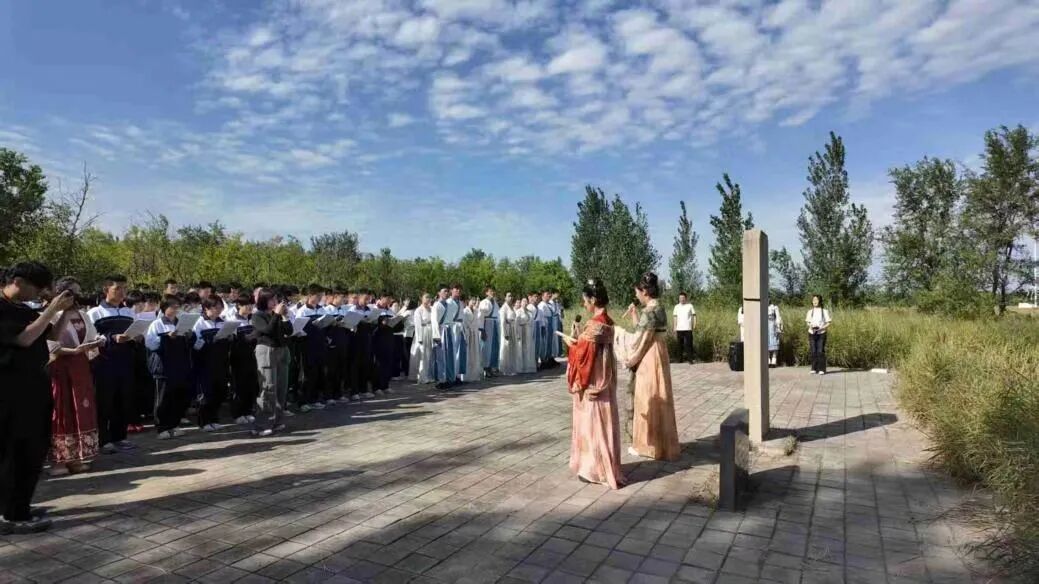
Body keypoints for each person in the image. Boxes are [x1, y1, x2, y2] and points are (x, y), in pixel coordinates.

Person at [0, 262, 75, 533]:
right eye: (38, 287)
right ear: (18, 281)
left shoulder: (22, 308)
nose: (40, 293)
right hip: (9, 393)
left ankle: (21, 504)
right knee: (14, 453)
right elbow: (23, 339)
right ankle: (11, 514)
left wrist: (65, 313)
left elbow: (50, 335)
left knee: (33, 450)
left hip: (34, 390)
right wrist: (51, 308)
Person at [560, 278, 625, 489]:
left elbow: (582, 355)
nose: (584, 304)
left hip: (593, 382)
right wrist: (579, 337)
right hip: (606, 382)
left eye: (585, 300)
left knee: (593, 424)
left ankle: (594, 468)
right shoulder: (608, 322)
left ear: (593, 299)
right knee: (605, 423)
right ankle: (607, 465)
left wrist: (570, 342)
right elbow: (589, 347)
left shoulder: (594, 325)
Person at [46, 277, 103, 475]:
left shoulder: (83, 315)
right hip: (60, 367)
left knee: (80, 409)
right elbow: (50, 344)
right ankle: (60, 460)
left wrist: (96, 342)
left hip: (80, 366)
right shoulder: (51, 314)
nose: (77, 297)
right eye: (72, 292)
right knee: (62, 410)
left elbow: (90, 337)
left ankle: (77, 457)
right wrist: (73, 350)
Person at [622, 273, 681, 461]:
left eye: (637, 292)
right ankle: (664, 444)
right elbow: (644, 331)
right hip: (660, 352)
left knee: (647, 398)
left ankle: (647, 446)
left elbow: (642, 340)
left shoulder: (649, 312)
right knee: (661, 396)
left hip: (649, 355)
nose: (636, 295)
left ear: (645, 291)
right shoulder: (660, 308)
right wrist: (634, 314)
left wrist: (630, 359)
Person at [87, 274, 138, 454]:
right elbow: (91, 337)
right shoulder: (95, 313)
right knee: (104, 401)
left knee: (123, 400)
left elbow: (134, 332)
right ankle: (103, 439)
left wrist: (136, 337)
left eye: (125, 288)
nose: (122, 292)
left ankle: (120, 437)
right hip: (104, 362)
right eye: (118, 288)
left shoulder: (128, 312)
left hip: (125, 361)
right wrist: (112, 338)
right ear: (106, 290)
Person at [145, 296, 194, 440]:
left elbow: (191, 342)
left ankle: (174, 424)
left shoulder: (181, 322)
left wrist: (190, 336)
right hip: (164, 366)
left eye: (177, 306)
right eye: (172, 306)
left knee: (178, 396)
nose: (175, 309)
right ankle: (162, 427)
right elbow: (150, 343)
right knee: (163, 398)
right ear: (164, 308)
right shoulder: (157, 324)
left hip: (180, 365)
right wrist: (167, 337)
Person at [251, 288, 290, 436]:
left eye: (276, 299)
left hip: (281, 350)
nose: (275, 302)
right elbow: (267, 330)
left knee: (281, 387)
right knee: (268, 388)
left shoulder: (276, 315)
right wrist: (277, 315)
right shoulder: (258, 315)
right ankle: (261, 425)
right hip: (267, 350)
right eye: (271, 299)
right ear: (264, 300)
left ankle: (277, 421)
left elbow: (288, 331)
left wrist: (284, 317)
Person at [192, 297, 231, 431]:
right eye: (215, 307)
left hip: (221, 362)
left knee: (219, 391)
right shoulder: (199, 323)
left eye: (220, 307)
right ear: (206, 308)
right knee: (206, 393)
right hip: (205, 363)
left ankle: (214, 419)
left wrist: (228, 337)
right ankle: (204, 421)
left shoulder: (222, 322)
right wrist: (210, 341)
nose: (218, 310)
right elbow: (195, 343)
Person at [295, 284, 328, 412]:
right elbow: (298, 328)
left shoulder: (322, 309)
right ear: (310, 295)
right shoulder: (302, 311)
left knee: (318, 372)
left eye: (321, 296)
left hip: (320, 344)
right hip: (307, 345)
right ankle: (303, 401)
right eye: (317, 296)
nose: (320, 298)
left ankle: (315, 399)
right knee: (307, 374)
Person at [227, 293, 258, 425]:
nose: (250, 307)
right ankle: (238, 413)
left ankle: (248, 411)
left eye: (251, 304)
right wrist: (245, 338)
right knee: (239, 385)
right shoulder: (232, 320)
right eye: (246, 305)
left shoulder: (253, 319)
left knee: (251, 384)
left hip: (253, 355)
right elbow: (231, 340)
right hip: (238, 358)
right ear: (239, 305)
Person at [409, 293, 436, 384]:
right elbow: (417, 325)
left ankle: (429, 375)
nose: (428, 299)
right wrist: (420, 338)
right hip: (422, 332)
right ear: (422, 299)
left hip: (430, 332)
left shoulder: (431, 309)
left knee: (430, 355)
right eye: (426, 297)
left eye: (429, 297)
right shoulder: (418, 310)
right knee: (423, 355)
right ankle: (422, 377)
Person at [477, 287, 501, 377]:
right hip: (487, 323)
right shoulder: (483, 302)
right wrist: (482, 329)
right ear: (486, 293)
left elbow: (498, 315)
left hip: (494, 324)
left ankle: (492, 367)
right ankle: (486, 368)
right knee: (487, 347)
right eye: (490, 291)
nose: (492, 293)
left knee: (494, 346)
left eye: (493, 291)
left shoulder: (495, 303)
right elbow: (480, 316)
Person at [806, 295, 831, 375]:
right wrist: (810, 326)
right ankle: (814, 368)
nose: (815, 301)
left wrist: (822, 328)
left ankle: (821, 369)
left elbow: (828, 322)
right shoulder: (810, 311)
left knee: (820, 351)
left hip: (821, 333)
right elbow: (808, 322)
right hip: (812, 333)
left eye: (816, 300)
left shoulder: (824, 311)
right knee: (813, 351)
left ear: (820, 301)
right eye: (813, 300)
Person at [461, 298, 483, 382]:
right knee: (468, 353)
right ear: (468, 301)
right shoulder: (465, 311)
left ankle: (474, 374)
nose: (473, 302)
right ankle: (466, 375)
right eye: (472, 300)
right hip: (468, 333)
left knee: (475, 353)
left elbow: (478, 322)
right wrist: (468, 331)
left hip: (475, 333)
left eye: (474, 300)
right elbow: (464, 323)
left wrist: (478, 330)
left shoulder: (476, 311)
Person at [672, 292, 696, 364]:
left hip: (688, 328)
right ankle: (680, 359)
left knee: (689, 344)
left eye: (683, 298)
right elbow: (675, 317)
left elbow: (694, 315)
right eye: (680, 298)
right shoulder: (676, 307)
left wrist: (694, 325)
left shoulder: (690, 306)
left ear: (686, 298)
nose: (681, 299)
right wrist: (674, 327)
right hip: (679, 328)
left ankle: (690, 359)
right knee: (679, 345)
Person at [499, 293, 517, 376]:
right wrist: (505, 333)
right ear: (505, 298)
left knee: (512, 348)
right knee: (506, 349)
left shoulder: (512, 307)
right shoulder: (504, 308)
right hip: (507, 329)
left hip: (512, 328)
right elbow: (502, 321)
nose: (511, 297)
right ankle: (505, 369)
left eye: (511, 296)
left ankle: (512, 367)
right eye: (509, 296)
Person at [516, 297, 535, 373]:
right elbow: (516, 323)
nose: (525, 303)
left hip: (528, 331)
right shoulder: (518, 312)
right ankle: (521, 367)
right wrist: (517, 333)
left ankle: (528, 366)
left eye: (526, 301)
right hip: (521, 330)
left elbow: (532, 323)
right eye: (523, 301)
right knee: (521, 348)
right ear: (521, 303)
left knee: (528, 348)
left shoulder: (529, 312)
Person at [767, 303, 783, 367]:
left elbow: (778, 317)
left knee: (774, 341)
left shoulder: (774, 307)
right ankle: (768, 360)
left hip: (773, 325)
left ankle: (774, 360)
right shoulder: (762, 306)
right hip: (765, 325)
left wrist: (778, 326)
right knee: (766, 342)